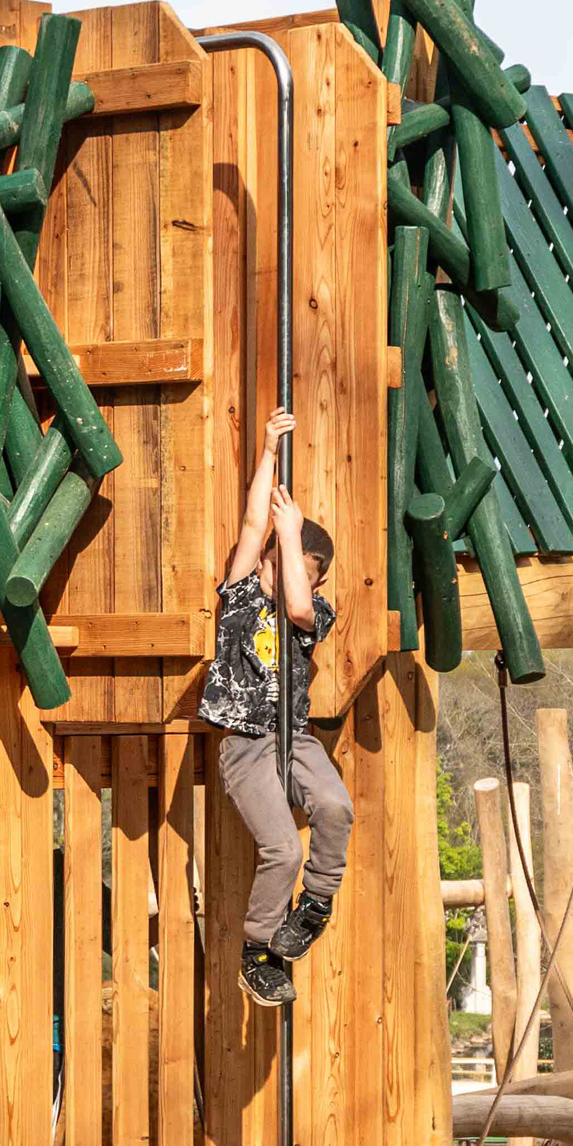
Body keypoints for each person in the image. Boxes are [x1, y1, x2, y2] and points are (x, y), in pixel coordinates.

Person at [201, 407, 350, 1008]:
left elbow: (297, 609)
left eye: (293, 570)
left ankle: (315, 903)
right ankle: (257, 950)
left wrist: (293, 544)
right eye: (271, 559)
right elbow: (251, 520)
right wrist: (267, 451)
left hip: (294, 736)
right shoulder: (240, 592)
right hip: (245, 744)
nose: (274, 573)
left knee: (336, 808)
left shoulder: (314, 613)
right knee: (283, 847)